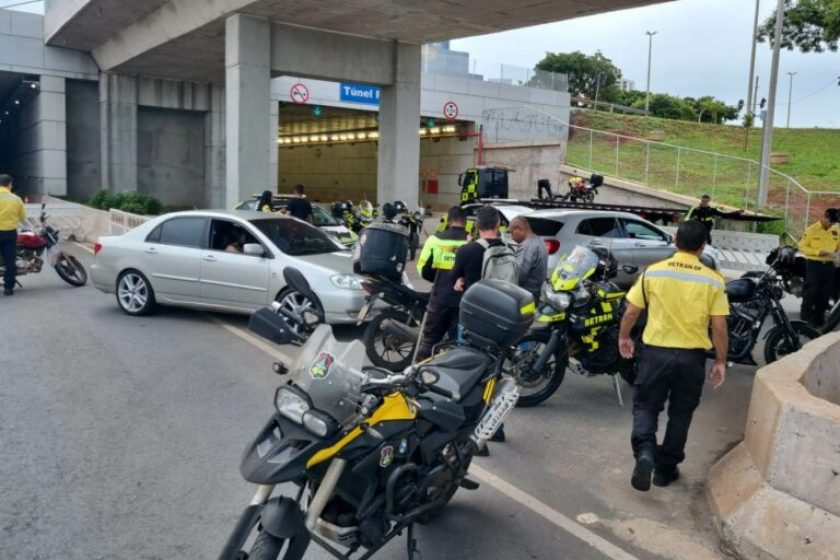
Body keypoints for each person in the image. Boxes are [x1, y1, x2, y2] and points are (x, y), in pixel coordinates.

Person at [618, 220, 729, 492]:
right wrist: (720, 361)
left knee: (646, 406)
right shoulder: (713, 280)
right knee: (681, 413)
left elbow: (632, 312)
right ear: (703, 247)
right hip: (691, 359)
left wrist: (623, 337)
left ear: (676, 241)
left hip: (655, 355)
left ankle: (644, 451)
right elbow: (719, 326)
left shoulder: (653, 273)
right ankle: (665, 470)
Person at [414, 206, 470, 362]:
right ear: (466, 222)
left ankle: (417, 374)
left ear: (449, 220)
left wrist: (438, 279)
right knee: (458, 343)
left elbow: (422, 269)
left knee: (429, 340)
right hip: (462, 301)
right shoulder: (472, 242)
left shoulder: (434, 240)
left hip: (440, 297)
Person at [798, 208, 840, 326]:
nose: (832, 224)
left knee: (825, 294)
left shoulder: (836, 231)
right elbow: (802, 246)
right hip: (814, 264)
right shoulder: (812, 230)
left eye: (834, 222)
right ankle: (805, 317)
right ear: (824, 217)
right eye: (830, 221)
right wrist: (818, 252)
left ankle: (819, 319)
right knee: (811, 291)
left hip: (829, 266)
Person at [508, 215, 548, 301]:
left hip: (526, 295)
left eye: (512, 233)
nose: (511, 237)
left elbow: (519, 275)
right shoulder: (540, 241)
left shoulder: (526, 247)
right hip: (537, 293)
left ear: (519, 229)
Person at [0, 174, 26, 296]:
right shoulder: (16, 199)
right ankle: (8, 288)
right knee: (10, 261)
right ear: (9, 184)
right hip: (9, 233)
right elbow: (22, 217)